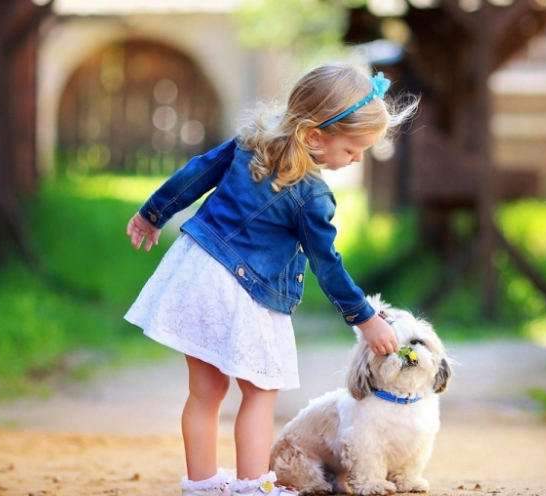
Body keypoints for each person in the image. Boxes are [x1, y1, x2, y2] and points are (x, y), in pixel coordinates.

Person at [124, 62, 417, 496]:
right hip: (241, 288)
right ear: (315, 136)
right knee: (261, 391)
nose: (356, 159)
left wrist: (152, 214)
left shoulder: (250, 143)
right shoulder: (312, 196)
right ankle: (252, 486)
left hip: (195, 271)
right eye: (353, 149)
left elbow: (197, 172)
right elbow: (327, 265)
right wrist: (366, 318)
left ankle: (202, 484)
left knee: (205, 391)